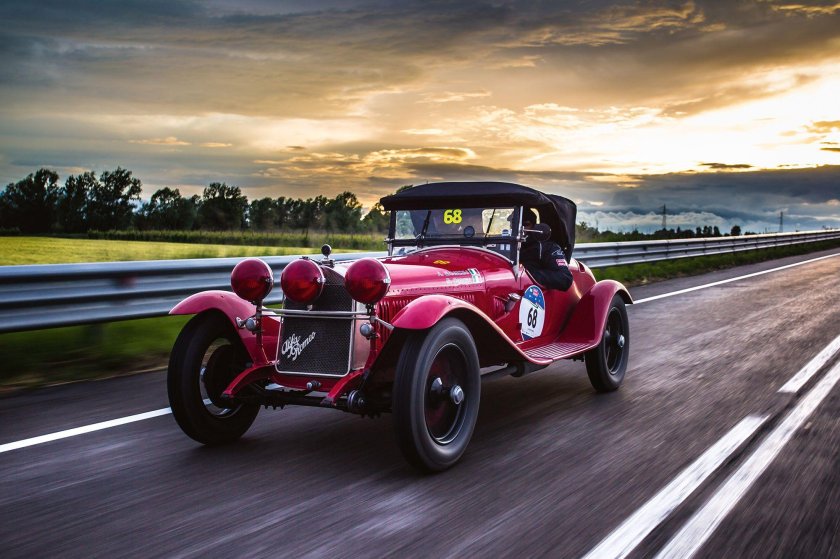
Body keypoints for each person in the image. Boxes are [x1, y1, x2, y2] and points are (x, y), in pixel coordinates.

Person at [519, 209, 573, 291]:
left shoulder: (547, 247)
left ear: (535, 227)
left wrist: (527, 275)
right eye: (514, 224)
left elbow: (565, 278)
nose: (519, 229)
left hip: (534, 295)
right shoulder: (507, 245)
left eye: (525, 225)